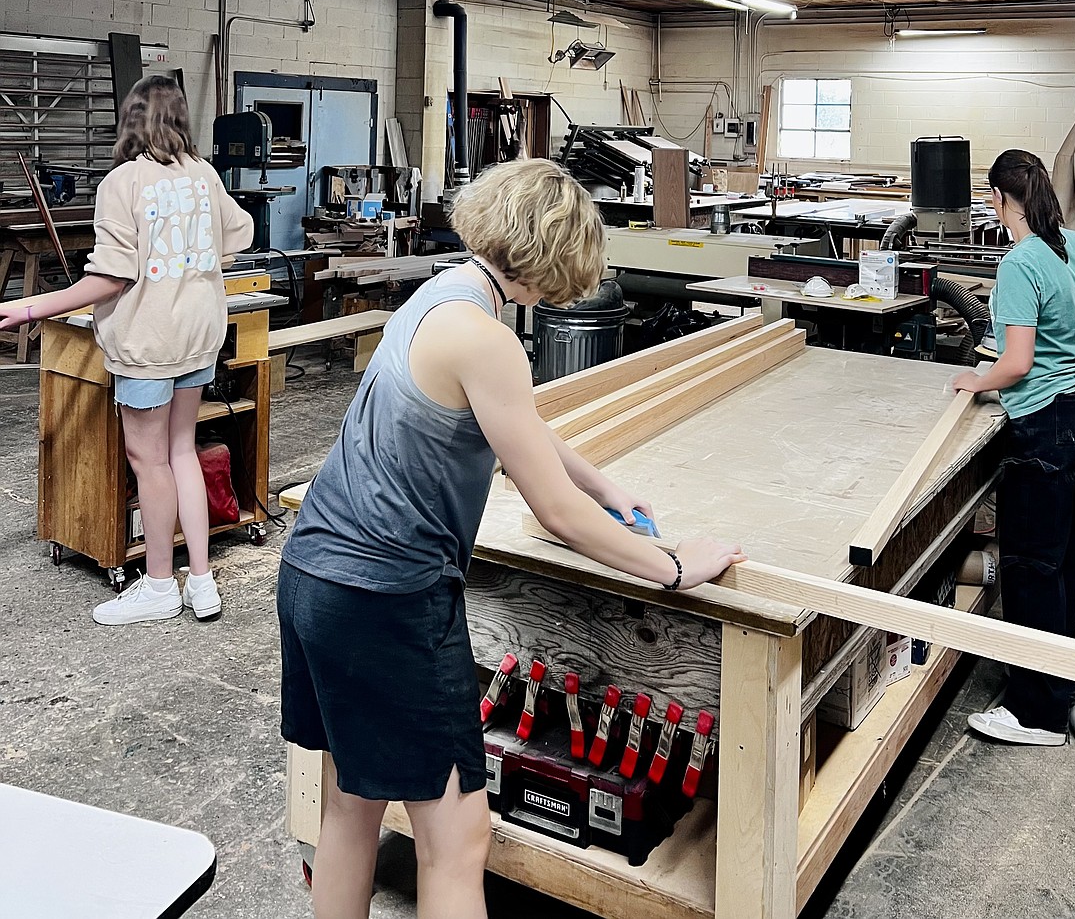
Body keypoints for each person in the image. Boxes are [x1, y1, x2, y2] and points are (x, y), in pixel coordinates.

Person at [278, 158, 746, 919]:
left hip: (311, 576)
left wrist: (604, 484)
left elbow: (515, 424)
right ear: (551, 256)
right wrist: (672, 565)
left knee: (350, 806)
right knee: (458, 841)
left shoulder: (441, 296)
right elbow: (554, 514)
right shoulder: (490, 339)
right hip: (387, 599)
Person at [0, 75, 253, 625]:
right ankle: (202, 584)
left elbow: (112, 276)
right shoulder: (204, 175)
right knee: (183, 451)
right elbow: (241, 234)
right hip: (197, 335)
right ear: (181, 118)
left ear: (131, 119)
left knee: (150, 461)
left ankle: (161, 585)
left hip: (147, 343)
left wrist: (29, 308)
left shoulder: (124, 182)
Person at [953, 149, 1075, 746]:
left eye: (991, 199)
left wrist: (978, 379)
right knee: (1060, 553)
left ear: (1003, 200)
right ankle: (1063, 674)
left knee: (1030, 564)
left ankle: (1037, 713)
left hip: (1045, 423)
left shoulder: (1019, 263)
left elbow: (1018, 363)